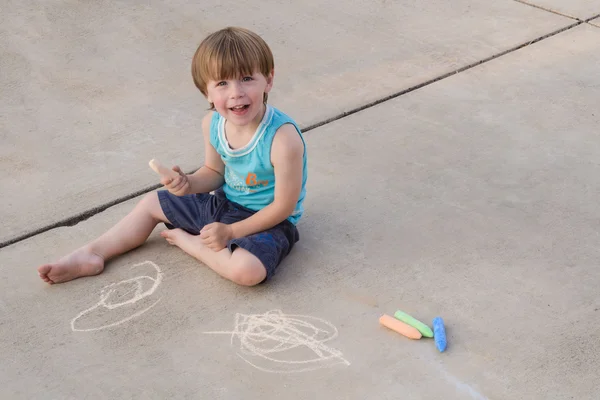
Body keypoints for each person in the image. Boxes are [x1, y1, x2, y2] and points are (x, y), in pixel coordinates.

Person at [37, 27, 307, 287]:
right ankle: (93, 253)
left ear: (268, 79)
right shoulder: (212, 124)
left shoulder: (282, 140)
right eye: (222, 83)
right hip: (224, 210)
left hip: (270, 223)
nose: (236, 92)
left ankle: (192, 244)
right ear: (206, 91)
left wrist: (231, 233)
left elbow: (283, 207)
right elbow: (214, 173)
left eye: (247, 78)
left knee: (247, 271)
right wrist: (187, 183)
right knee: (153, 201)